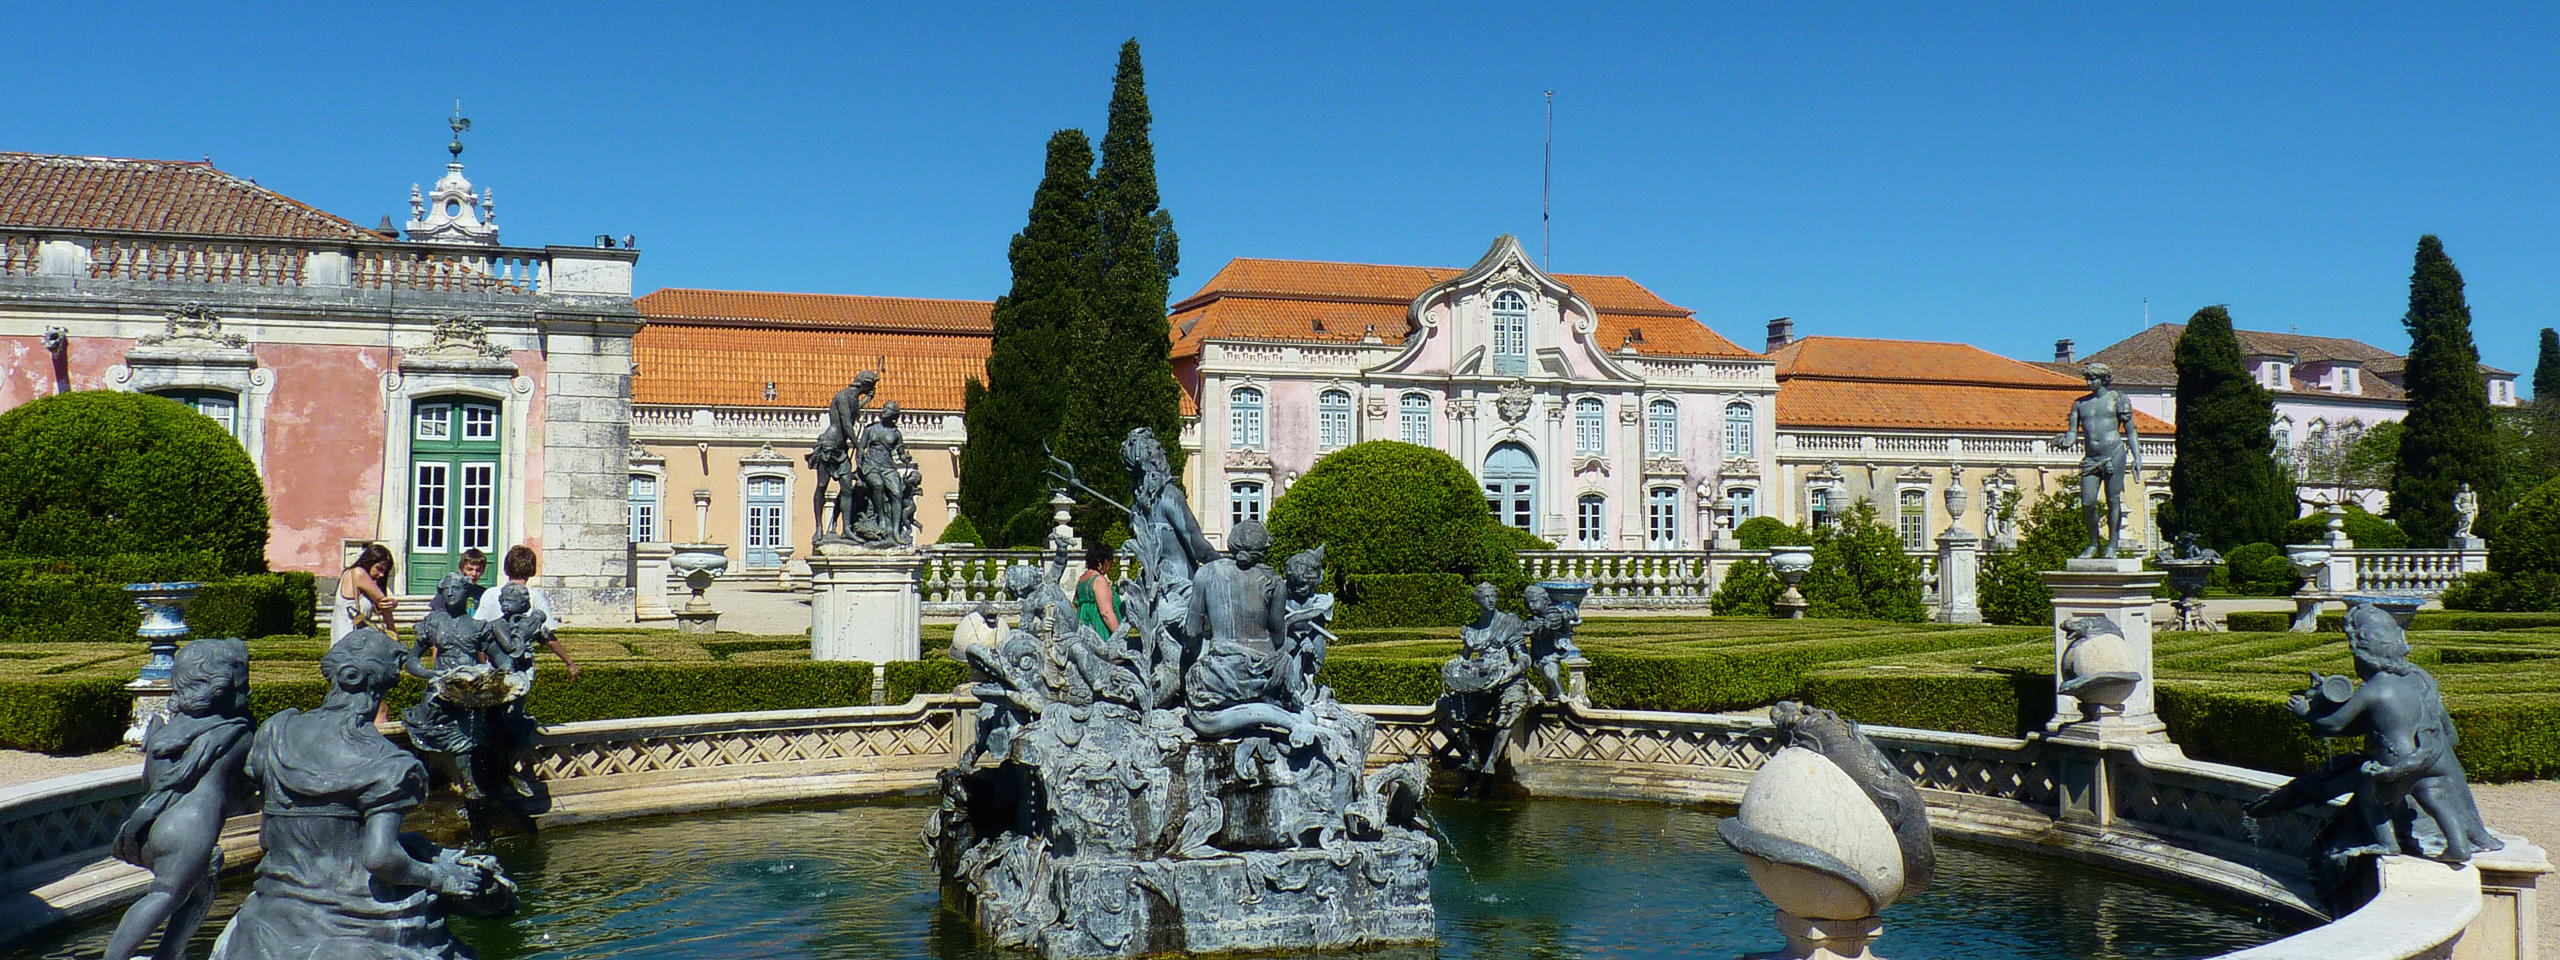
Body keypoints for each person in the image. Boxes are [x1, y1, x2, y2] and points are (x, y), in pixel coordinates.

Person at [210, 628, 513, 959]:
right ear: (382, 686)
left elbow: (266, 827)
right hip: (355, 917)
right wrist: (441, 877)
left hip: (273, 911)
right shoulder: (391, 764)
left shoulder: (276, 730)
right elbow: (381, 858)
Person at [105, 639, 252, 960]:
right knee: (166, 894)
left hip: (150, 825)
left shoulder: (161, 732)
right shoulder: (238, 734)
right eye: (243, 686)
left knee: (202, 887)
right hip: (191, 830)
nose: (247, 694)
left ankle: (169, 954)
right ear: (222, 689)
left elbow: (148, 780)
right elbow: (247, 790)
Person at [2053, 362, 2139, 558]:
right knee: (2087, 502)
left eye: (2093, 379)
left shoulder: (2117, 399)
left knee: (2113, 501)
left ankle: (2112, 544)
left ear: (2104, 379)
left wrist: (2137, 458)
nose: (2089, 382)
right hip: (2091, 458)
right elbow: (2073, 435)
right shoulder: (2080, 404)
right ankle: (2094, 543)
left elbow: (2131, 431)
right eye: (2087, 379)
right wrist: (2063, 442)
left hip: (2114, 454)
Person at [471, 546, 581, 683]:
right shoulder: (534, 596)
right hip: (523, 667)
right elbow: (549, 639)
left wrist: (482, 664)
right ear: (532, 571)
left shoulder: (490, 594)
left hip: (493, 667)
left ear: (506, 569)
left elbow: (477, 634)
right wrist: (569, 663)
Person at [332, 543, 399, 643]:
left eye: (385, 572)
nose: (381, 575)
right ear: (369, 561)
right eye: (379, 568)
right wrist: (394, 634)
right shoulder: (359, 573)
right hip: (350, 642)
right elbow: (384, 606)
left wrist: (392, 603)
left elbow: (380, 607)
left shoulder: (351, 574)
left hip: (347, 642)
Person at [1075, 539, 1121, 640]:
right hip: (1099, 631)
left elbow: (1075, 606)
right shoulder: (1099, 581)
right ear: (1100, 562)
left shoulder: (1081, 580)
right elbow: (1106, 613)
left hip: (1083, 631)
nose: (1112, 563)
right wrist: (1120, 636)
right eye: (1109, 560)